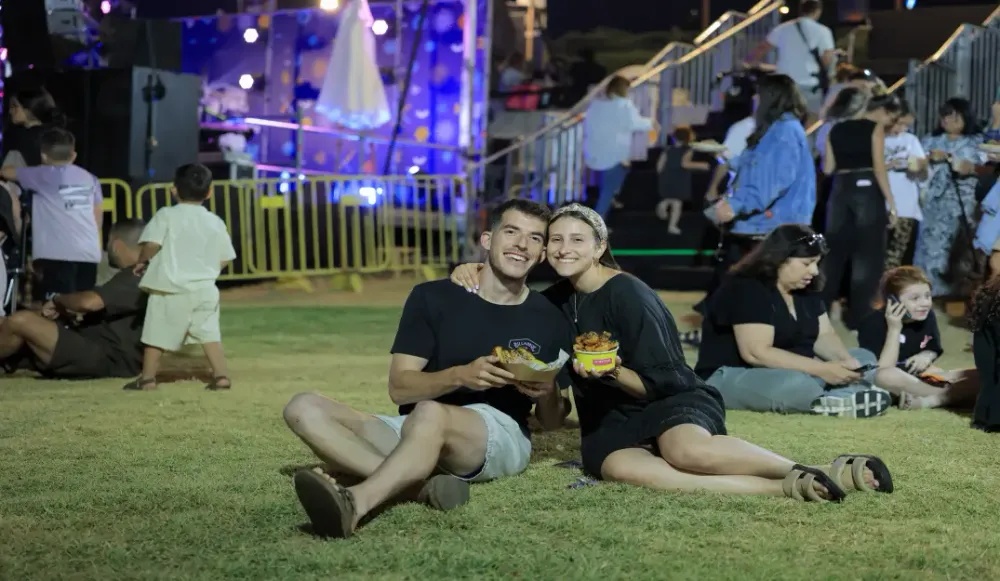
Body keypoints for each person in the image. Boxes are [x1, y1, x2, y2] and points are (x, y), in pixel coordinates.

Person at [451, 205, 893, 502]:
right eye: (556, 241)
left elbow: (669, 378)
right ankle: (781, 489)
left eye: (578, 240)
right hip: (611, 418)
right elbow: (548, 405)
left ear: (600, 247)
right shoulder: (554, 304)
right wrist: (474, 268)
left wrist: (613, 369)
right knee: (623, 468)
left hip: (668, 398)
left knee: (686, 451)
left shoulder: (629, 293)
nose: (565, 249)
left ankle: (817, 468)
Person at [283, 199, 573, 539]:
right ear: (487, 240)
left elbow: (553, 421)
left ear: (541, 254)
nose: (521, 245)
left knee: (430, 414)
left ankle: (356, 502)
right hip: (416, 426)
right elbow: (400, 388)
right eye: (511, 232)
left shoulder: (550, 316)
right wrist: (460, 376)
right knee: (303, 407)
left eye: (535, 238)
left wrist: (549, 392)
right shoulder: (432, 298)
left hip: (499, 433)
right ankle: (420, 487)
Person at [695, 224, 892, 418]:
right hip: (735, 375)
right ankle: (837, 397)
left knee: (863, 356)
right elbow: (756, 353)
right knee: (795, 383)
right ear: (780, 260)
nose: (814, 271)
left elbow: (823, 335)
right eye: (807, 263)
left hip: (798, 370)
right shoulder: (747, 288)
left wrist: (845, 361)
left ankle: (835, 399)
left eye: (817, 262)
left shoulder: (806, 290)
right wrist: (823, 370)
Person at [707, 74, 815, 312]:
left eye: (759, 93)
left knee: (750, 296)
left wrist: (736, 205)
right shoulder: (779, 130)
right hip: (766, 224)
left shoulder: (783, 132)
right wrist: (726, 156)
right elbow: (759, 168)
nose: (754, 99)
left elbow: (771, 182)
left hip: (769, 226)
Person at [126, 164, 237, 391]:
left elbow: (153, 244)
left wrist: (142, 261)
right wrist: (209, 271)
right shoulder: (215, 221)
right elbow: (226, 256)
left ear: (173, 190)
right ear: (209, 192)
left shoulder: (166, 215)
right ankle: (221, 376)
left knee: (156, 333)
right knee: (209, 334)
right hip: (205, 290)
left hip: (170, 287)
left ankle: (147, 378)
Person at [0, 219, 147, 378]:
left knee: (21, 321)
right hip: (97, 347)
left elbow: (88, 303)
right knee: (15, 319)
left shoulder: (137, 275)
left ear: (117, 245)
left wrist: (58, 300)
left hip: (109, 357)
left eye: (108, 241)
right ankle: (10, 361)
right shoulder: (139, 275)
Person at [820, 92, 902, 329]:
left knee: (833, 256)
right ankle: (861, 317)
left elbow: (828, 168)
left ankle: (821, 311)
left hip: (839, 190)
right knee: (867, 256)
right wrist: (891, 202)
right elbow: (879, 167)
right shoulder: (873, 128)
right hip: (866, 191)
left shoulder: (833, 129)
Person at [1, 127, 103, 302]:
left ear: (43, 156)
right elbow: (97, 219)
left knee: (56, 305)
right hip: (88, 252)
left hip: (56, 253)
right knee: (81, 303)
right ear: (74, 156)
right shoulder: (91, 179)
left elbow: (6, 172)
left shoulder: (41, 174)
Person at [856, 266, 979, 410]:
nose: (925, 303)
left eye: (927, 296)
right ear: (892, 301)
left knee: (982, 374)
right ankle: (947, 395)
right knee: (885, 376)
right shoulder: (871, 323)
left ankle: (947, 395)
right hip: (895, 380)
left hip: (924, 377)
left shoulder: (927, 316)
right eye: (915, 298)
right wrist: (894, 328)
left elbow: (933, 348)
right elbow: (881, 370)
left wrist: (926, 355)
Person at [915, 97, 986, 298]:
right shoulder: (929, 140)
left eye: (954, 116)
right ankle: (926, 291)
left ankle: (952, 293)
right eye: (945, 115)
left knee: (953, 250)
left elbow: (975, 167)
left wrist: (948, 158)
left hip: (960, 205)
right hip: (931, 204)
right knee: (927, 247)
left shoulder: (976, 142)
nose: (948, 120)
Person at [745, 0, 839, 122]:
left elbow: (761, 48)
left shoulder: (783, 28)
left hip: (784, 84)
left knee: (783, 120)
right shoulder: (823, 31)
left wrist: (751, 62)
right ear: (818, 11)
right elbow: (827, 59)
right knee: (812, 120)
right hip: (809, 84)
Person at [582, 75, 656, 219]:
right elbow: (634, 123)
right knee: (609, 187)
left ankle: (612, 199)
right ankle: (598, 222)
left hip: (597, 152)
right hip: (615, 153)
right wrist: (651, 122)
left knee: (610, 183)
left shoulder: (596, 106)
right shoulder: (624, 105)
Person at [882, 100, 928, 270]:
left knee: (898, 251)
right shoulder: (877, 137)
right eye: (900, 124)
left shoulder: (910, 140)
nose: (902, 129)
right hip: (881, 203)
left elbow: (922, 170)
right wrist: (889, 165)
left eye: (906, 126)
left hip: (906, 204)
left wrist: (920, 165)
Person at [655, 127, 709, 235]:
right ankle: (672, 226)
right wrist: (703, 165)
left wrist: (662, 176)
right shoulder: (688, 150)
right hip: (680, 179)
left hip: (667, 177)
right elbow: (684, 163)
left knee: (672, 199)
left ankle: (663, 204)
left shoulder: (667, 149)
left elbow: (659, 166)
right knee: (677, 203)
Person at [2, 87, 67, 169]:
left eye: (15, 106)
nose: (10, 111)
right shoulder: (52, 133)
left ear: (29, 109)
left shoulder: (25, 137)